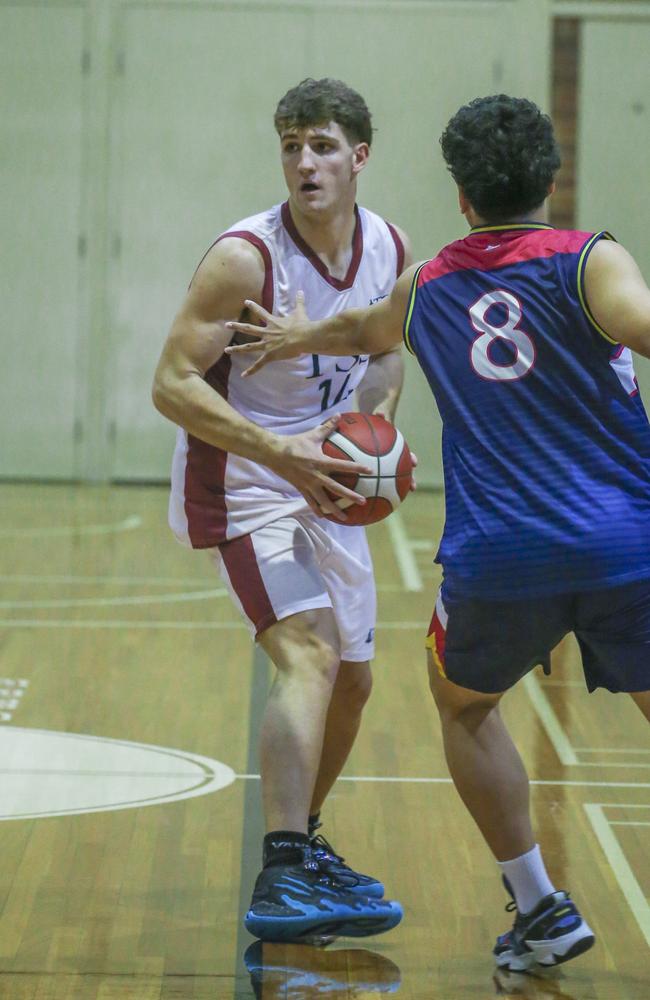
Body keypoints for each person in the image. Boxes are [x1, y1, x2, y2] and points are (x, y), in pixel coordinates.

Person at [225, 94, 650, 969]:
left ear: (460, 195)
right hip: (625, 544)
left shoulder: (432, 285)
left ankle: (539, 907)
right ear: (552, 180)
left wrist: (297, 330)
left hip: (502, 559)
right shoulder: (591, 261)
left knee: (463, 704)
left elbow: (360, 328)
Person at [152, 77, 412, 942]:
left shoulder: (388, 247)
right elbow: (171, 383)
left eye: (324, 145)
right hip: (245, 476)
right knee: (308, 652)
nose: (306, 162)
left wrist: (367, 434)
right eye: (293, 146)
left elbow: (385, 355)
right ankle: (283, 872)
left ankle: (300, 847)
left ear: (360, 156)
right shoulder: (244, 258)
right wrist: (282, 452)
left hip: (323, 471)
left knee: (356, 682)